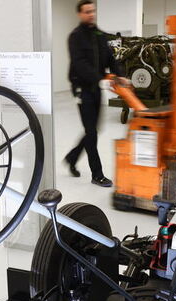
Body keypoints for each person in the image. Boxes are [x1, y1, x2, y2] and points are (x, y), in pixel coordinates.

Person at [64, 0, 125, 187]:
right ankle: (97, 174)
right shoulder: (75, 37)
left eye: (93, 11)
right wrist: (98, 78)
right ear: (80, 14)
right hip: (83, 89)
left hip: (96, 89)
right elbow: (80, 64)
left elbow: (110, 58)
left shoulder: (99, 35)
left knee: (92, 131)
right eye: (87, 11)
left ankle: (72, 157)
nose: (91, 14)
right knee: (91, 132)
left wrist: (121, 77)